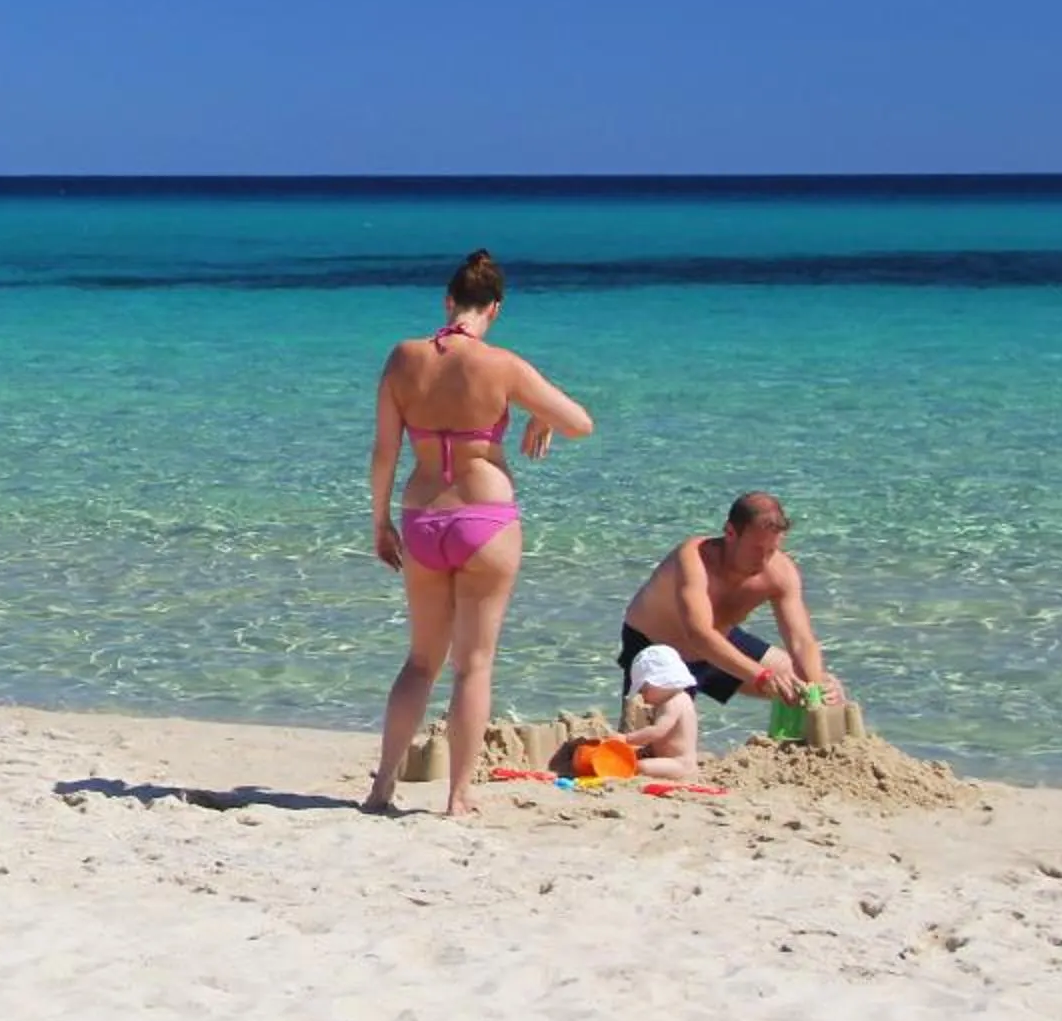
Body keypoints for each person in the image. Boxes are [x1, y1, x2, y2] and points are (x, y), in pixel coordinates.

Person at [363, 249, 595, 816]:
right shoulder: (502, 365)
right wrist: (540, 416)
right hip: (485, 521)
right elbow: (580, 423)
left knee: (420, 662)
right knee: (475, 664)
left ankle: (381, 788)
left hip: (421, 516)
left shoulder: (402, 359)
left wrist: (380, 522)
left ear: (448, 302)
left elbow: (384, 453)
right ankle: (458, 796)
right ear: (495, 307)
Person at [617, 491, 850, 709]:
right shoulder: (693, 558)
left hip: (720, 647)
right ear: (730, 532)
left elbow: (801, 640)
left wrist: (816, 686)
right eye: (756, 549)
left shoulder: (780, 572)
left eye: (771, 550)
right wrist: (761, 676)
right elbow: (699, 634)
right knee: (657, 739)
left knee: (817, 686)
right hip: (657, 650)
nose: (763, 561)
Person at [616, 643, 703, 781]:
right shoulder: (678, 698)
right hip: (671, 759)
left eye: (644, 690)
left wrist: (627, 739)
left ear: (659, 681)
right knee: (638, 756)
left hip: (679, 764)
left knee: (640, 766)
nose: (643, 697)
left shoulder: (673, 702)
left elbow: (657, 731)